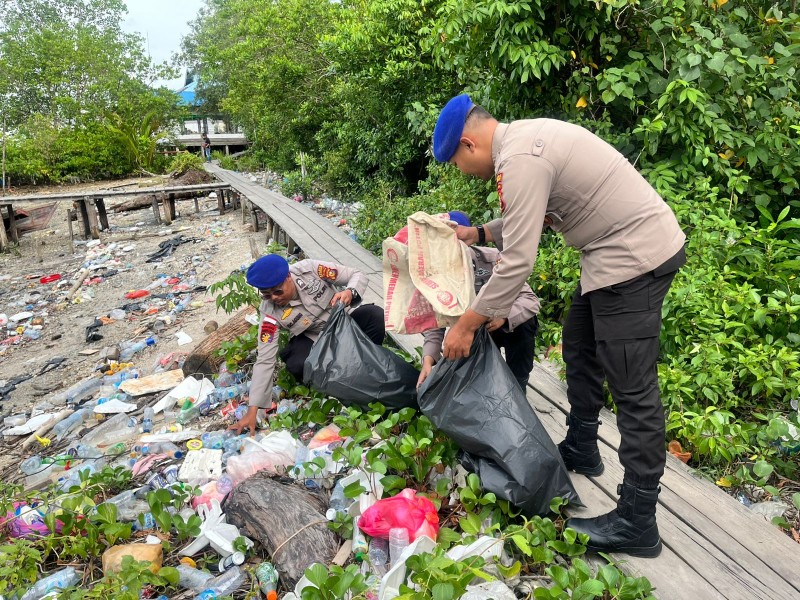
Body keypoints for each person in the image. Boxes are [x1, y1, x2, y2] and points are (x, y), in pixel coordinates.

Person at [431, 94, 686, 558]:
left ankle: (637, 519)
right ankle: (584, 446)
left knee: (633, 387)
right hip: (607, 257)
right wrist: (480, 233)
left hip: (634, 257)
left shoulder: (522, 158)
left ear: (468, 144)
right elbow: (525, 220)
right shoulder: (521, 144)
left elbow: (519, 261)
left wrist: (468, 323)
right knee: (579, 347)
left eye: (456, 164)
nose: (462, 171)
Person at [230, 254, 385, 436]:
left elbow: (357, 274)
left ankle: (368, 362)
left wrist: (349, 292)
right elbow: (265, 359)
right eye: (266, 295)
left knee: (375, 316)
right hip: (320, 342)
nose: (274, 298)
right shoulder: (270, 312)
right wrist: (253, 409)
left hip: (348, 324)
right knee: (296, 362)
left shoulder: (310, 269)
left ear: (288, 276)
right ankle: (339, 385)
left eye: (277, 291)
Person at [405, 211, 540, 391]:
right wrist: (428, 360)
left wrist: (503, 316)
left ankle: (518, 385)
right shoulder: (437, 274)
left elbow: (530, 300)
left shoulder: (493, 259)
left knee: (525, 323)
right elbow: (435, 323)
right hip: (468, 334)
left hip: (501, 326)